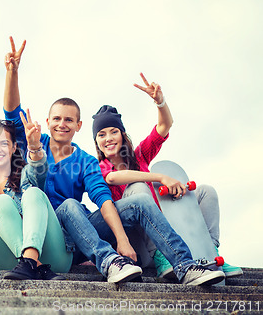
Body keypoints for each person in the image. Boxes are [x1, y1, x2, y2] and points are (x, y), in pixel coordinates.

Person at [2, 36, 225, 286]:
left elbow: (103, 199)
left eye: (68, 120)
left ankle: (186, 265)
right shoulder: (35, 140)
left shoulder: (86, 161)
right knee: (68, 206)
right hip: (51, 236)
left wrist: (122, 239)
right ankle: (109, 262)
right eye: (56, 119)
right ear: (48, 121)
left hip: (78, 236)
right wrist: (12, 71)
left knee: (139, 199)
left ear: (78, 125)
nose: (61, 124)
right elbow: (11, 114)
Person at [92, 72, 242, 278]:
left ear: (122, 134)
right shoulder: (98, 166)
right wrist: (161, 177)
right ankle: (161, 256)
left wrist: (160, 102)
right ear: (96, 141)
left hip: (166, 225)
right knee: (138, 188)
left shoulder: (140, 156)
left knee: (206, 192)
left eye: (113, 132)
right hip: (138, 239)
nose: (108, 138)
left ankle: (209, 251)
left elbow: (164, 127)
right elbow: (112, 178)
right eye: (101, 134)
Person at [0, 111, 72, 280]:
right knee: (0, 202)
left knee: (33, 192)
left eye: (4, 143)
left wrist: (34, 147)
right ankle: (33, 264)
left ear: (14, 147)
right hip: (9, 261)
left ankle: (31, 260)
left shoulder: (25, 174)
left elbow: (39, 171)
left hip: (52, 256)